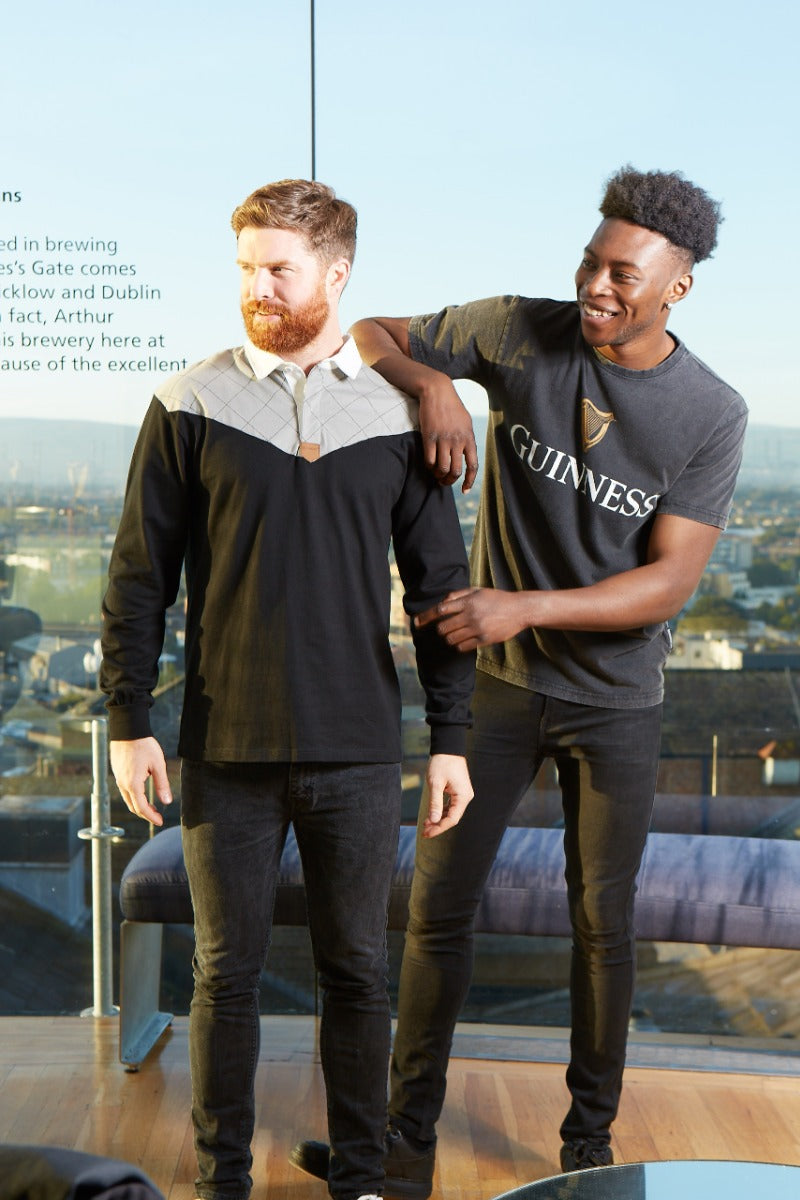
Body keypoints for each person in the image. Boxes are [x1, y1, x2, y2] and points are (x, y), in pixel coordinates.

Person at [290, 166, 748, 1187]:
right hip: (496, 691)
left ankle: (586, 1154)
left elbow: (668, 583)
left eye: (622, 273)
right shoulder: (514, 330)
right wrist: (431, 385)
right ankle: (399, 1149)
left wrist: (520, 607)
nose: (595, 284)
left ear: (675, 286)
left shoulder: (709, 410)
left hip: (616, 703)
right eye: (590, 261)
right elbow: (374, 331)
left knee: (601, 923)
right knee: (434, 909)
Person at [100, 179, 475, 1200]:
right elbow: (140, 576)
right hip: (225, 743)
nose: (256, 288)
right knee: (224, 977)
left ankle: (358, 1177)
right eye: (245, 269)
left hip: (359, 746)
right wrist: (127, 722)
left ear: (336, 275)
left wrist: (449, 738)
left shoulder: (399, 415)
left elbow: (440, 593)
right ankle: (221, 1180)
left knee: (356, 972)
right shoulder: (188, 402)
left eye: (280, 268)